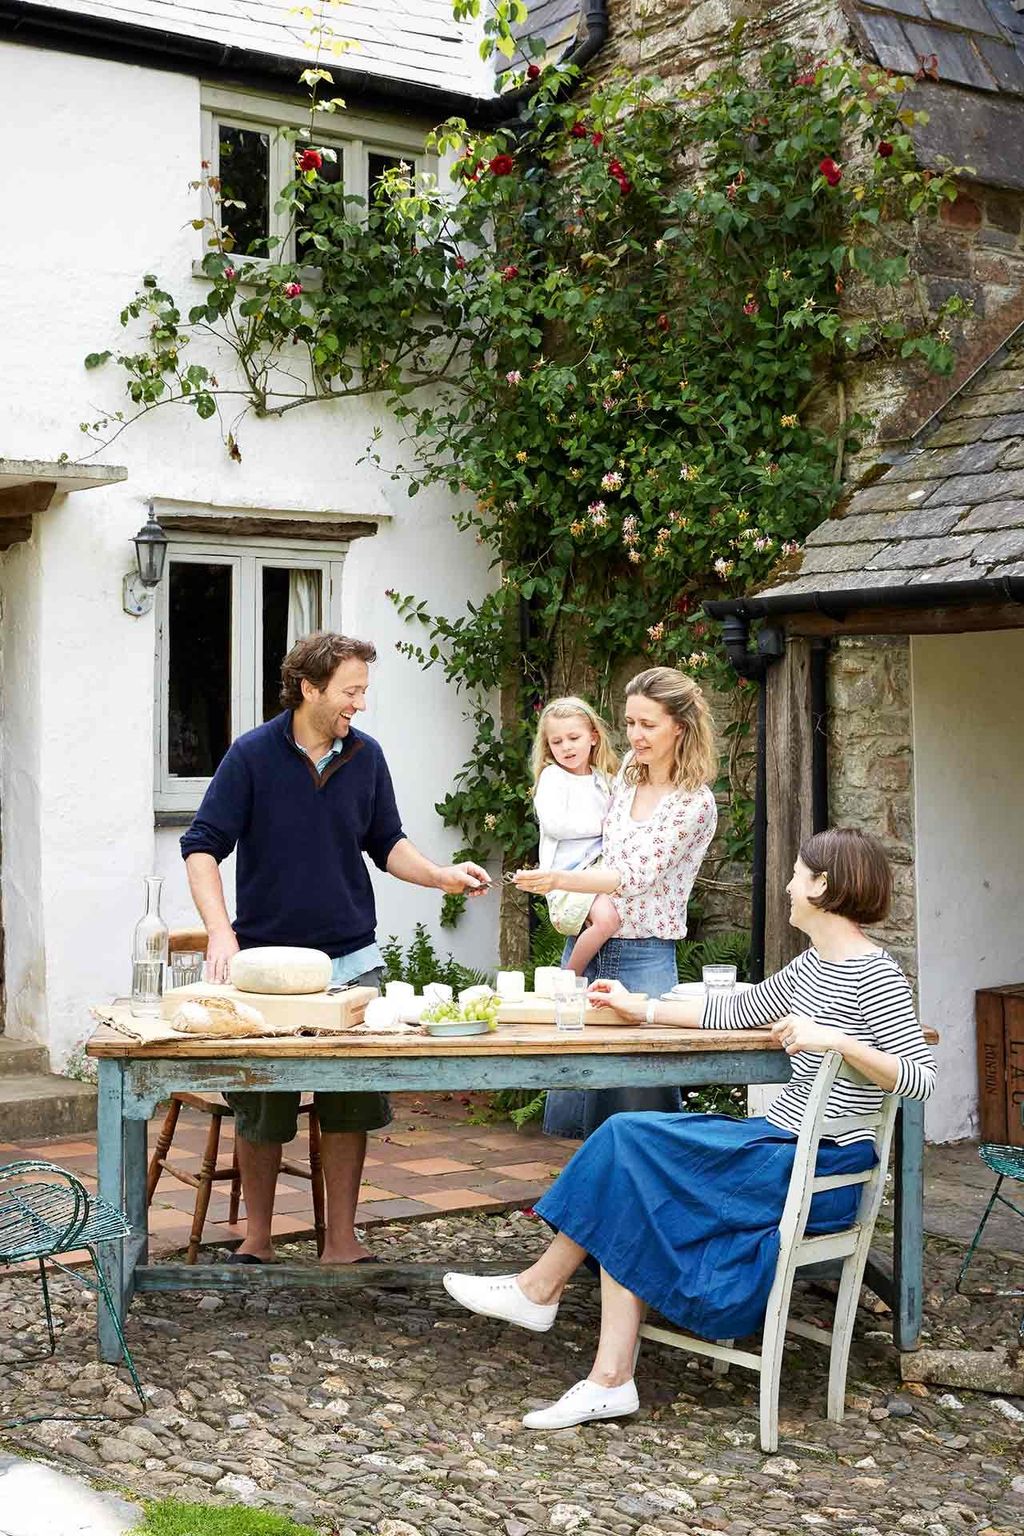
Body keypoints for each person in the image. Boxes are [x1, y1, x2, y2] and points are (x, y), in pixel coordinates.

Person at [444, 827, 936, 1429]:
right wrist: (638, 1006)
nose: (786, 884)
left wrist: (837, 1040)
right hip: (778, 1149)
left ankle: (551, 1304)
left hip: (820, 1167)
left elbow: (919, 1078)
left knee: (630, 1143)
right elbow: (731, 1007)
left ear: (824, 886)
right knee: (631, 1152)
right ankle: (603, 1370)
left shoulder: (872, 973)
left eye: (797, 873)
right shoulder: (814, 965)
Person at [181, 631, 490, 1265]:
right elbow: (202, 845)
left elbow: (387, 842)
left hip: (352, 962)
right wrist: (220, 929)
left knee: (351, 1097)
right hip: (266, 969)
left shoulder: (366, 757)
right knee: (263, 1102)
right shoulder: (251, 756)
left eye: (363, 691)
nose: (360, 704)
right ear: (309, 688)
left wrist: (439, 875)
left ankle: (342, 1239)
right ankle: (259, 1237)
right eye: (350, 692)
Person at [515, 667, 718, 1138]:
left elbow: (634, 877)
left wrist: (559, 879)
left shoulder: (694, 802)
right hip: (586, 948)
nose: (635, 735)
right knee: (572, 1096)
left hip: (643, 958)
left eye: (648, 725)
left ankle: (645, 1211)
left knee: (641, 1110)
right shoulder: (627, 772)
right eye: (630, 723)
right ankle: (577, 1209)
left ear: (680, 727)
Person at [532, 697, 621, 977]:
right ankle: (570, 976)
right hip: (567, 876)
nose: (566, 747)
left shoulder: (604, 779)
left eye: (574, 737)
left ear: (593, 737)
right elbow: (556, 824)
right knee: (607, 920)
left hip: (600, 873)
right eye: (557, 742)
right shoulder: (553, 778)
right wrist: (604, 825)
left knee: (610, 919)